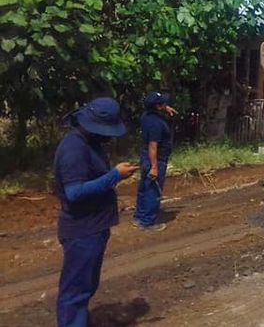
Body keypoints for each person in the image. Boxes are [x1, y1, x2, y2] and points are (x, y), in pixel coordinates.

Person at [54, 97, 137, 327]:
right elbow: (74, 192)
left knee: (86, 284)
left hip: (94, 227)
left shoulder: (90, 143)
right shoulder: (74, 149)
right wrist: (114, 175)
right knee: (75, 291)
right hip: (83, 230)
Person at [132, 92, 177, 231]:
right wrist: (154, 167)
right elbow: (153, 146)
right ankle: (148, 222)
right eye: (163, 103)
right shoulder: (156, 124)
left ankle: (139, 217)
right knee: (153, 190)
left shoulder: (146, 116)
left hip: (146, 157)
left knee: (144, 187)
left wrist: (165, 108)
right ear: (157, 106)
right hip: (156, 158)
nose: (166, 104)